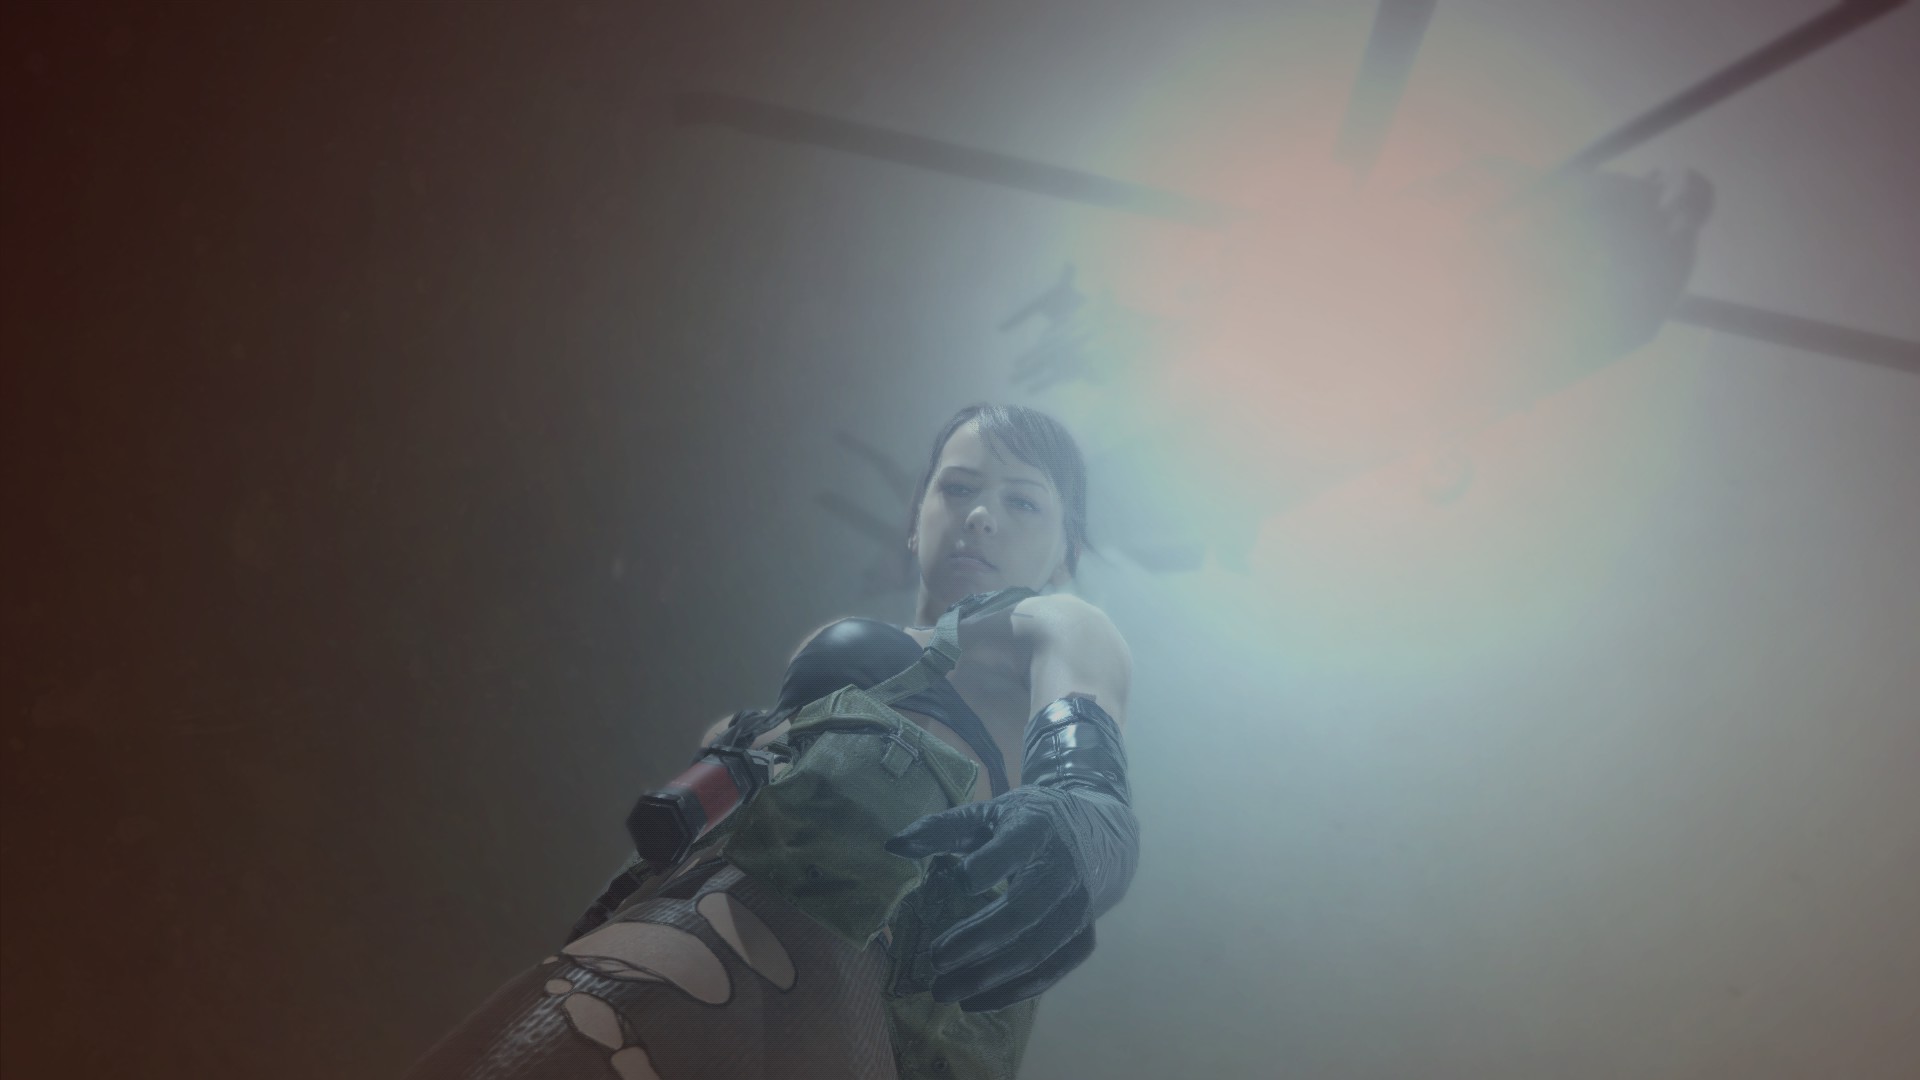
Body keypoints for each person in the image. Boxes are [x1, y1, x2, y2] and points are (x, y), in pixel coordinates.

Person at [407, 403, 1137, 1080]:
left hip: (855, 996)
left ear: (1064, 551)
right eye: (958, 487)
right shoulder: (830, 668)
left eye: (1023, 502)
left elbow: (1085, 757)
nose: (980, 515)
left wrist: (1082, 810)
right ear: (916, 519)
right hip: (672, 939)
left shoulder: (1053, 625)